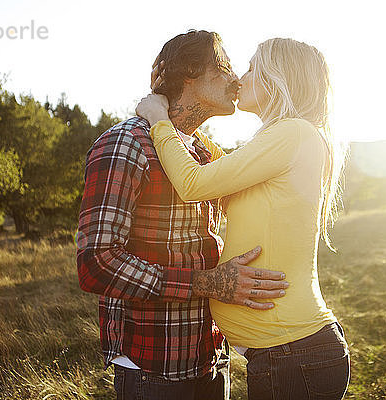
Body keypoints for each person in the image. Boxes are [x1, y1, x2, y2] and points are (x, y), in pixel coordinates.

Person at [76, 30, 289, 400]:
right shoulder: (126, 144)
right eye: (223, 67)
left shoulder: (203, 155)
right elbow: (96, 262)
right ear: (189, 73)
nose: (235, 79)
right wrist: (209, 283)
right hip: (152, 366)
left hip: (211, 359)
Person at [136, 38, 349, 399]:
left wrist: (158, 119)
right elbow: (221, 170)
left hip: (292, 354)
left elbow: (193, 183)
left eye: (252, 68)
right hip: (290, 354)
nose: (240, 79)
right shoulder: (289, 138)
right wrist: (178, 114)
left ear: (277, 79)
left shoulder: (292, 133)